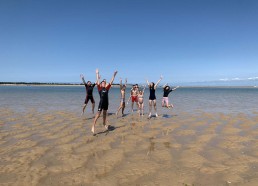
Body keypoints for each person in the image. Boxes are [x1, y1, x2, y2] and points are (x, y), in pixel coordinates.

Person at [92, 69, 118, 134]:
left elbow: (111, 81)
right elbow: (98, 80)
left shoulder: (107, 88)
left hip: (106, 103)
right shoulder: (99, 88)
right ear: (101, 84)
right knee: (98, 114)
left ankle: (104, 123)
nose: (103, 83)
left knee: (104, 114)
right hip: (101, 103)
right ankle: (93, 125)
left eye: (104, 83)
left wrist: (114, 75)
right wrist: (97, 73)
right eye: (102, 82)